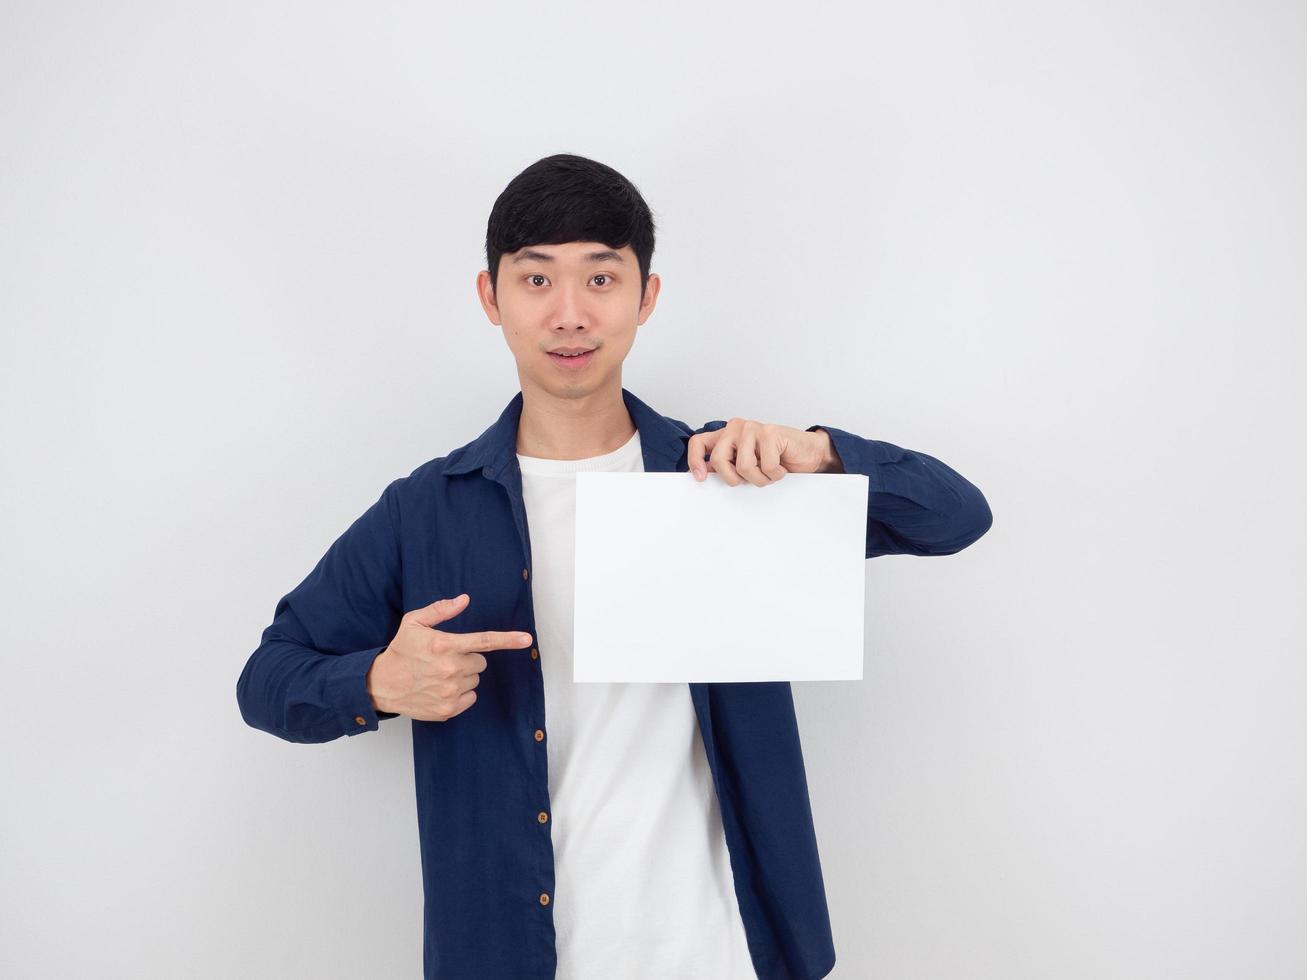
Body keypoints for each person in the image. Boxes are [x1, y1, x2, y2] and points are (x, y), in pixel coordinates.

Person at [236, 152, 993, 980]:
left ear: (646, 296)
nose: (569, 315)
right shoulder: (426, 511)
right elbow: (268, 678)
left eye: (601, 280)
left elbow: (955, 516)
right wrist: (378, 684)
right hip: (516, 956)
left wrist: (818, 454)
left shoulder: (732, 481)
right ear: (490, 298)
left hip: (727, 951)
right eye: (536, 281)